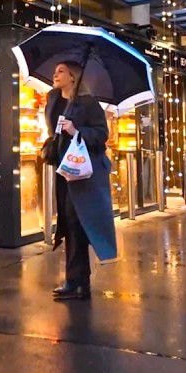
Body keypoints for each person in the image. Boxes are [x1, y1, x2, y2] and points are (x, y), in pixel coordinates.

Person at [41, 60, 117, 301]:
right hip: (64, 169)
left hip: (83, 172)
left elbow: (102, 134)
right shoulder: (53, 99)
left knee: (76, 223)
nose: (55, 74)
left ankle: (77, 281)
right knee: (67, 222)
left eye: (61, 70)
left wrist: (76, 131)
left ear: (73, 76)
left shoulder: (88, 103)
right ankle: (77, 281)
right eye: (56, 70)